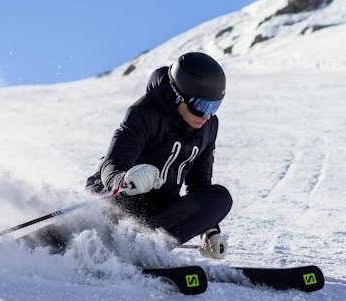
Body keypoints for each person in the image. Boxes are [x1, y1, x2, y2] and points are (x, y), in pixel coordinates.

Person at [28, 52, 232, 259]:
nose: (207, 115)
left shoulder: (209, 126)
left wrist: (210, 230)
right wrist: (125, 180)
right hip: (116, 204)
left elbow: (200, 185)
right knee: (52, 242)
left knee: (220, 198)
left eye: (214, 106)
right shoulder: (144, 113)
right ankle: (33, 246)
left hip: (158, 214)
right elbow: (111, 167)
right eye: (200, 106)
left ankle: (145, 248)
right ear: (178, 95)